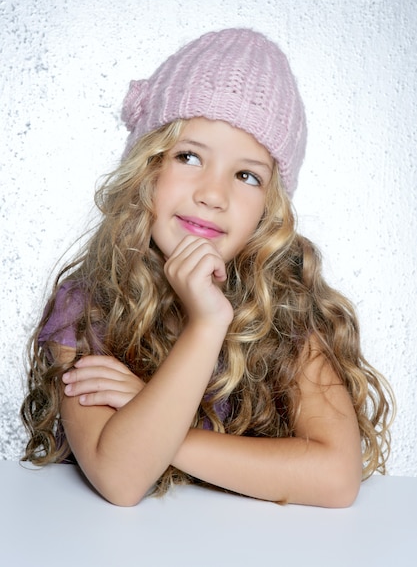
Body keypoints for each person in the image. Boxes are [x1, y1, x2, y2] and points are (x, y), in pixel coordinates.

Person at [21, 28, 393, 508]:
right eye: (189, 156)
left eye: (246, 175)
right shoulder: (89, 303)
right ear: (146, 166)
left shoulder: (287, 305)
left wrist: (147, 413)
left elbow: (336, 479)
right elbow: (121, 477)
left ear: (270, 206)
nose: (213, 195)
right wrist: (206, 325)